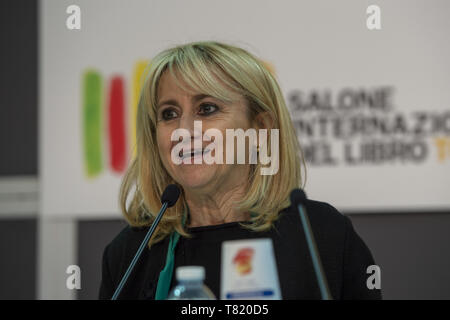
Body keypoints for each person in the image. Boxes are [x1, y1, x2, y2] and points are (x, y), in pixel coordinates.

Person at [99, 41, 382, 300]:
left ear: (260, 128)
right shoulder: (132, 251)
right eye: (169, 114)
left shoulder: (321, 234)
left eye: (207, 109)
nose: (183, 131)